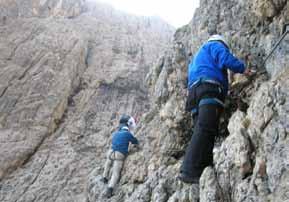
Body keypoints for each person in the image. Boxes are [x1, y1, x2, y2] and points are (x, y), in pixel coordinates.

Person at [178, 34, 251, 184]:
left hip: (194, 94)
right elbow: (225, 58)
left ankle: (203, 168)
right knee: (206, 128)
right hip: (208, 88)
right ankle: (189, 170)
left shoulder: (198, 56)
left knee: (203, 129)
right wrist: (243, 69)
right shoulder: (215, 45)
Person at [101, 114, 139, 198]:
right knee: (115, 173)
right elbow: (135, 141)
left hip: (111, 152)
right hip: (119, 154)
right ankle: (110, 189)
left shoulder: (116, 133)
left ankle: (104, 177)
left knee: (108, 162)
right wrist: (137, 144)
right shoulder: (128, 134)